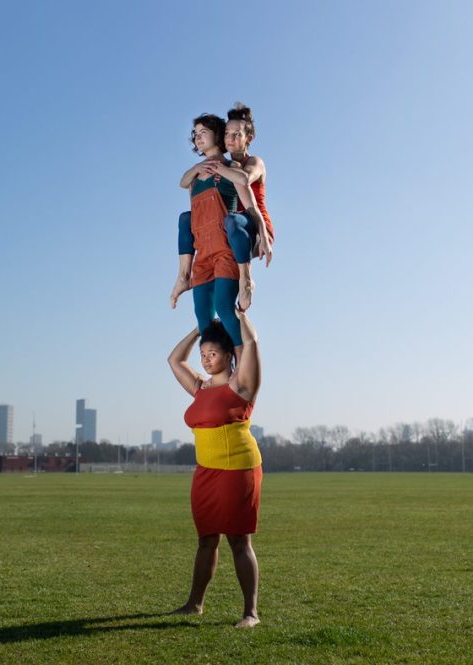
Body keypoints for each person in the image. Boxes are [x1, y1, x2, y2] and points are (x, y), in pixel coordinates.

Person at [167, 310, 263, 628]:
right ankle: (194, 604)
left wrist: (241, 319)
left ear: (228, 355)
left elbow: (250, 344)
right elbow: (173, 360)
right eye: (204, 355)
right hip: (205, 473)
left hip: (238, 470)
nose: (206, 360)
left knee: (239, 540)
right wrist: (199, 328)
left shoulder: (242, 385)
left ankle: (250, 613)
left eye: (213, 353)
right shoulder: (199, 388)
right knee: (206, 540)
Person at [171, 113, 268, 359]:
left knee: (225, 308)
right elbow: (194, 213)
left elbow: (250, 208)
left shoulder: (233, 169)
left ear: (217, 135)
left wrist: (263, 236)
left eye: (204, 132)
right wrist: (195, 169)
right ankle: (219, 373)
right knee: (203, 315)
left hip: (225, 251)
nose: (198, 138)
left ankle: (243, 363)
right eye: (195, 134)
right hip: (203, 254)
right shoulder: (193, 176)